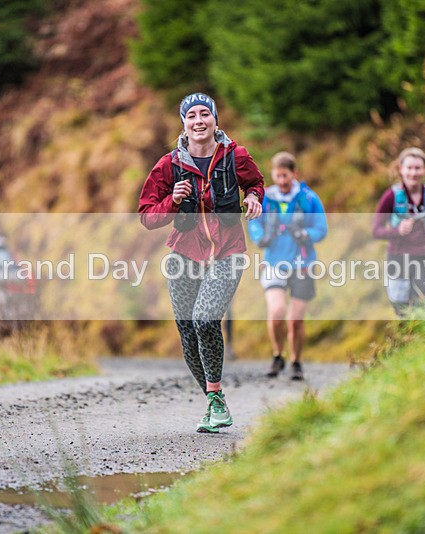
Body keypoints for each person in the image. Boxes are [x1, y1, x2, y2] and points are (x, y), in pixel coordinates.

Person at [138, 92, 264, 433]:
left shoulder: (235, 156)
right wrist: (172, 200)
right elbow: (147, 216)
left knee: (205, 320)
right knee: (187, 332)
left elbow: (255, 182)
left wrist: (253, 198)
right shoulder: (169, 164)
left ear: (215, 121)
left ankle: (215, 401)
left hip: (228, 252)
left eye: (204, 114)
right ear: (183, 124)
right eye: (191, 115)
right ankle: (214, 399)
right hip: (184, 255)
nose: (198, 120)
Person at [248, 151, 327, 380]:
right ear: (272, 175)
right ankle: (277, 355)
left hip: (302, 264)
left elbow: (321, 229)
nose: (282, 181)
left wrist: (305, 233)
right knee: (277, 312)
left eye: (286, 176)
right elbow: (254, 223)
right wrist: (260, 236)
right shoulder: (266, 198)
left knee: (296, 319)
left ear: (295, 174)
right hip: (274, 263)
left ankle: (296, 361)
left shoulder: (309, 198)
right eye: (278, 176)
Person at [372, 147, 425, 316]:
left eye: (418, 168)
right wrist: (397, 231)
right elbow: (376, 231)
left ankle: (418, 340)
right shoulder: (391, 197)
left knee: (420, 307)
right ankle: (406, 339)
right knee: (401, 310)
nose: (413, 172)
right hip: (397, 259)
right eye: (409, 168)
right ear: (400, 169)